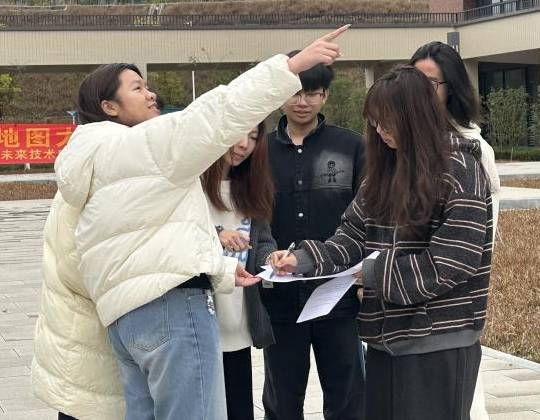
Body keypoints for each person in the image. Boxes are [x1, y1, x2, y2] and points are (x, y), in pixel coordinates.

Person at [31, 26, 349, 420]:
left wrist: (219, 268)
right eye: (137, 88)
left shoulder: (91, 160)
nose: (151, 95)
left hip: (125, 319)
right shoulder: (142, 146)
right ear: (109, 106)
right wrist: (290, 67)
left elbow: (138, 243)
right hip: (171, 308)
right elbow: (216, 113)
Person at [270, 65, 494, 420]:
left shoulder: (459, 168)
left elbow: (455, 259)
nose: (380, 131)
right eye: (375, 123)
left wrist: (374, 272)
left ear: (414, 116)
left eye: (387, 122)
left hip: (438, 338)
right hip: (384, 338)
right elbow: (352, 235)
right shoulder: (385, 171)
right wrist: (303, 259)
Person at [259, 56, 365, 420]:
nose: (302, 102)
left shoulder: (351, 146)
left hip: (338, 294)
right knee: (282, 402)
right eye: (294, 93)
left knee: (348, 397)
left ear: (325, 96)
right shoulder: (260, 152)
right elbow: (252, 218)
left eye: (312, 93)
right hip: (280, 298)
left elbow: (370, 216)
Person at [409, 41, 502, 420]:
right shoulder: (399, 141)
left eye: (431, 84)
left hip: (450, 301)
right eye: (414, 82)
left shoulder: (473, 149)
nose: (420, 93)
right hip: (402, 293)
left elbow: (476, 244)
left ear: (453, 88)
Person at [201, 124, 277, 420]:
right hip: (201, 320)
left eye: (254, 138)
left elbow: (262, 240)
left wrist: (272, 258)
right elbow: (175, 236)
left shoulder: (252, 185)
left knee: (239, 408)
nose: (244, 144)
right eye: (238, 133)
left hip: (239, 319)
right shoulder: (190, 185)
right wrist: (216, 234)